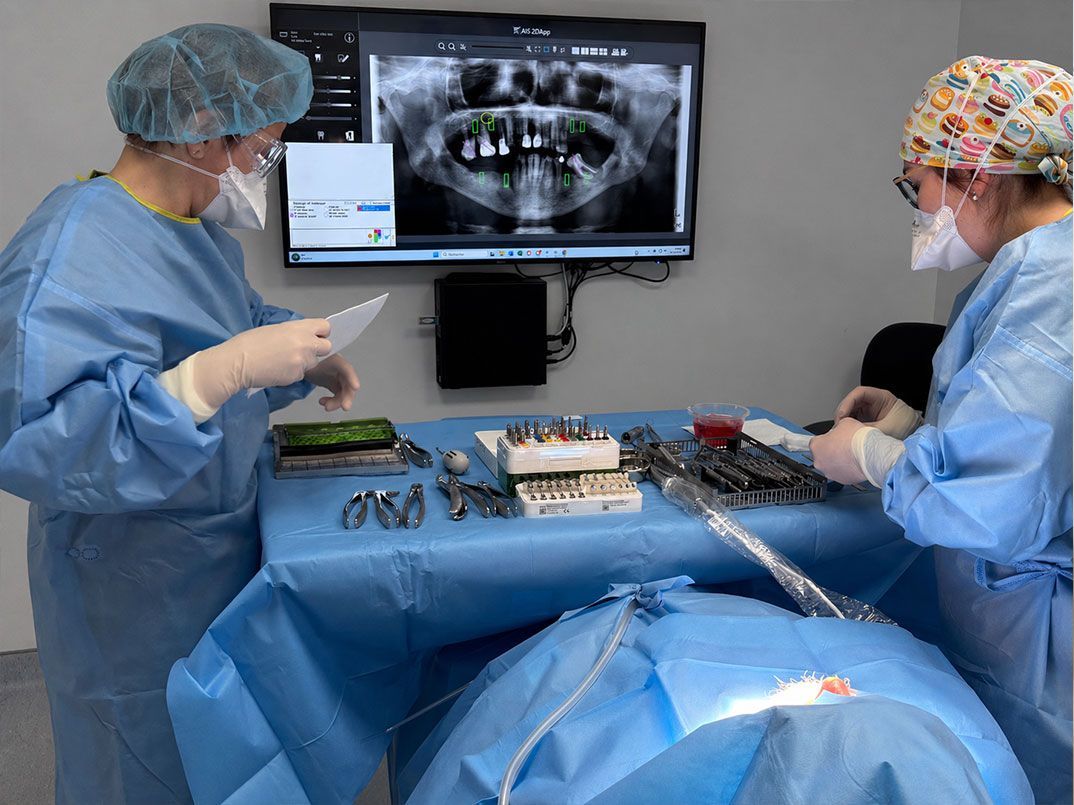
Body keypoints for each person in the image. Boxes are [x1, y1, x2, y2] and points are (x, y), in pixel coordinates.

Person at [0, 24, 359, 803]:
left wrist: (301, 354)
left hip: (209, 552)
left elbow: (235, 325)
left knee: (216, 749)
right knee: (138, 763)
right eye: (260, 153)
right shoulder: (69, 248)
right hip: (128, 586)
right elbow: (45, 442)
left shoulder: (200, 240)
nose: (259, 174)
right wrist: (217, 370)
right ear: (201, 131)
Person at [810, 55, 1072, 802]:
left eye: (917, 183)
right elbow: (1034, 448)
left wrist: (870, 455)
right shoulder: (1027, 275)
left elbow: (994, 505)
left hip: (1043, 648)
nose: (918, 205)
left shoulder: (1051, 290)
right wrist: (914, 427)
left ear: (977, 175)